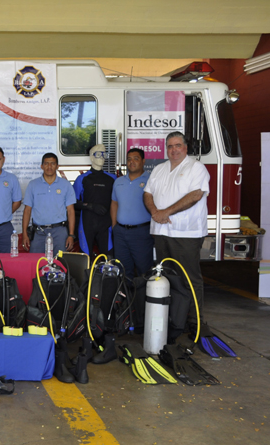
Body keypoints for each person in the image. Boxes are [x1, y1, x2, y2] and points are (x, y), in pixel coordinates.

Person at [143, 131, 210, 319]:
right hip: (161, 232)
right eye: (170, 146)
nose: (174, 150)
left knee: (189, 279)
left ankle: (195, 322)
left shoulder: (196, 168)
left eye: (177, 145)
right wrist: (155, 212)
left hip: (186, 234)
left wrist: (166, 212)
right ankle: (173, 320)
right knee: (166, 278)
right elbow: (147, 194)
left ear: (185, 147)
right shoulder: (159, 169)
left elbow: (196, 195)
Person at [111, 148, 154, 280]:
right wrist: (114, 227)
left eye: (136, 159)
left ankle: (143, 299)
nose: (132, 162)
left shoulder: (151, 180)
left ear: (143, 161)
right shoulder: (118, 182)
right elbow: (114, 204)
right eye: (129, 159)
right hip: (120, 233)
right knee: (123, 270)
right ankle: (126, 299)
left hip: (141, 233)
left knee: (144, 270)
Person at [21, 153, 76, 254]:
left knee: (59, 263)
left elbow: (71, 211)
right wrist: (24, 233)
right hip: (38, 232)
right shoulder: (33, 185)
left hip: (59, 232)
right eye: (46, 163)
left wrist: (71, 235)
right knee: (36, 264)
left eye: (52, 163)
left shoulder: (66, 185)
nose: (49, 167)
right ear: (42, 166)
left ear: (57, 166)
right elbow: (27, 211)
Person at [73, 144, 116, 256]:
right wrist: (91, 206)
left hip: (106, 225)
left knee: (109, 260)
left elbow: (118, 201)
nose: (101, 157)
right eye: (98, 154)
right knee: (86, 260)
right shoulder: (82, 179)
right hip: (87, 224)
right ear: (91, 157)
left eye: (104, 154)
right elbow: (73, 202)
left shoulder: (112, 178)